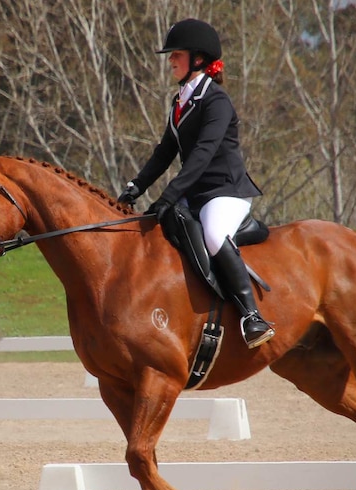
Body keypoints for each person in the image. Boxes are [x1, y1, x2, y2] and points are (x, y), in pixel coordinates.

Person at [118, 18, 274, 349]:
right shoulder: (180, 102)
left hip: (225, 192)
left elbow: (202, 154)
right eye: (171, 54)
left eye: (177, 54)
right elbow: (163, 154)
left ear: (199, 59)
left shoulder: (216, 101)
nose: (171, 60)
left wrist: (168, 196)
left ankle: (251, 315)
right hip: (195, 195)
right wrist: (135, 187)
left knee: (215, 235)